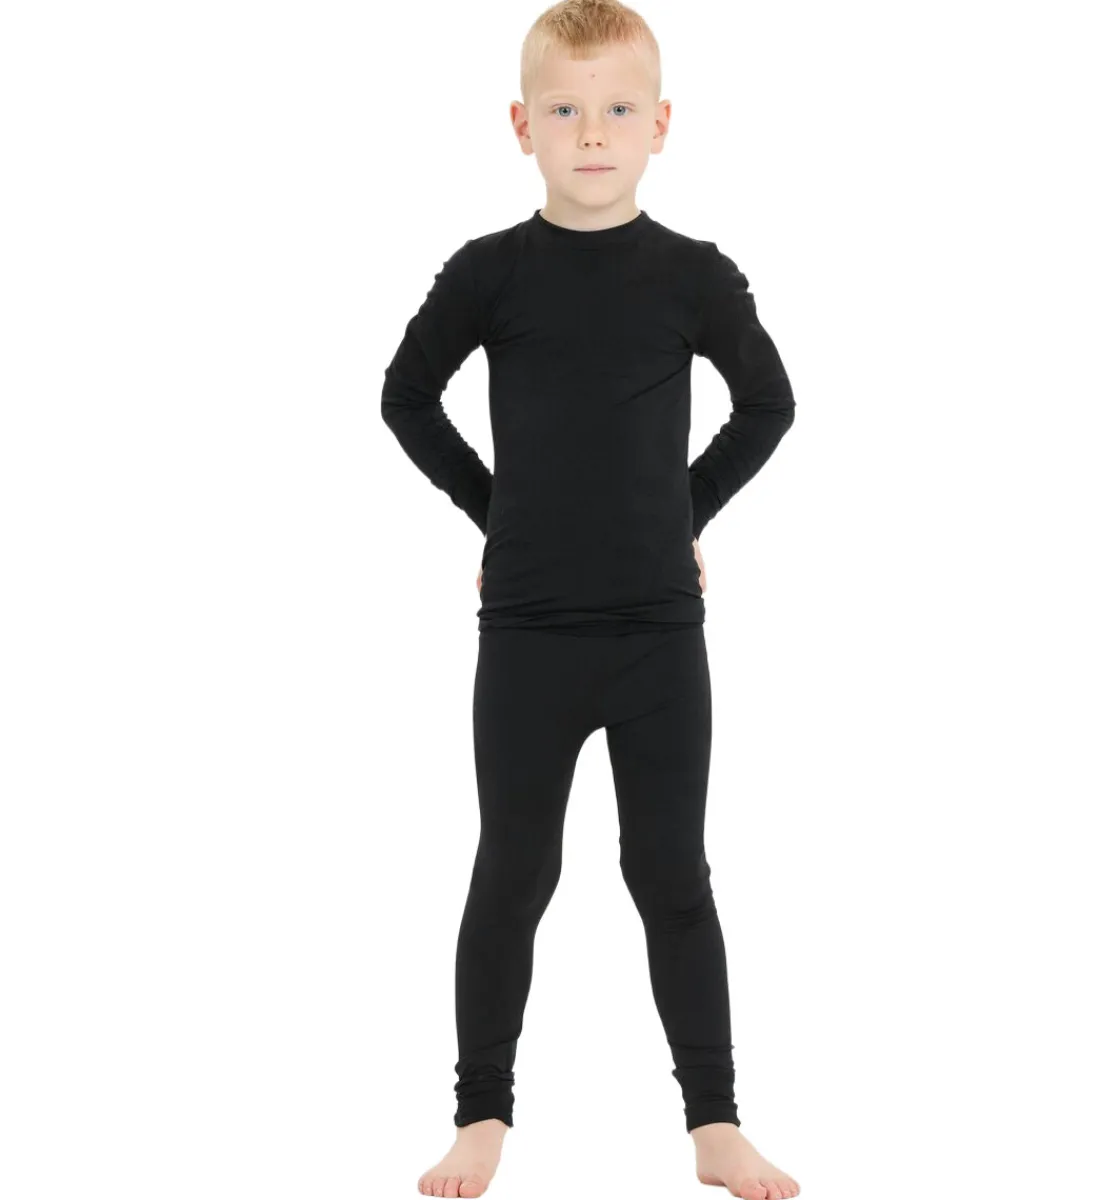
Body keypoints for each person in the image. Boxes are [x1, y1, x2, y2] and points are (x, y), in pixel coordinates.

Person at [381, 3, 798, 1196]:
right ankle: (481, 1117)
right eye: (565, 110)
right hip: (529, 634)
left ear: (662, 124)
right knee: (514, 868)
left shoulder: (694, 275)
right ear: (523, 126)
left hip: (659, 633)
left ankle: (715, 1124)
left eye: (619, 109)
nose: (594, 133)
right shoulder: (489, 272)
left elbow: (770, 404)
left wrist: (683, 513)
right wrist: (497, 513)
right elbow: (406, 396)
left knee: (671, 871)